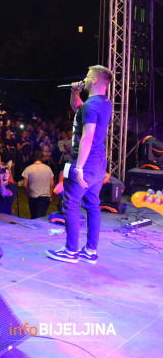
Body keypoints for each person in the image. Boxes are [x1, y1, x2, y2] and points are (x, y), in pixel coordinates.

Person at [47, 66, 113, 264]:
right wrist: (74, 92)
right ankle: (90, 251)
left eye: (87, 76)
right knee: (93, 204)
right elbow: (78, 110)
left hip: (85, 161)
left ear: (94, 81)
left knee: (71, 203)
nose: (83, 79)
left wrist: (78, 167)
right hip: (99, 162)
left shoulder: (91, 106)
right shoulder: (104, 103)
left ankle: (70, 251)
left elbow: (87, 137)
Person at [22, 150, 55, 219]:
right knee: (41, 217)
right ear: (42, 158)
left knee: (33, 216)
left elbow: (24, 184)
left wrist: (27, 194)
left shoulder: (28, 169)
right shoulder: (48, 168)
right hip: (45, 196)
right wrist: (51, 195)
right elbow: (52, 184)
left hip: (33, 196)